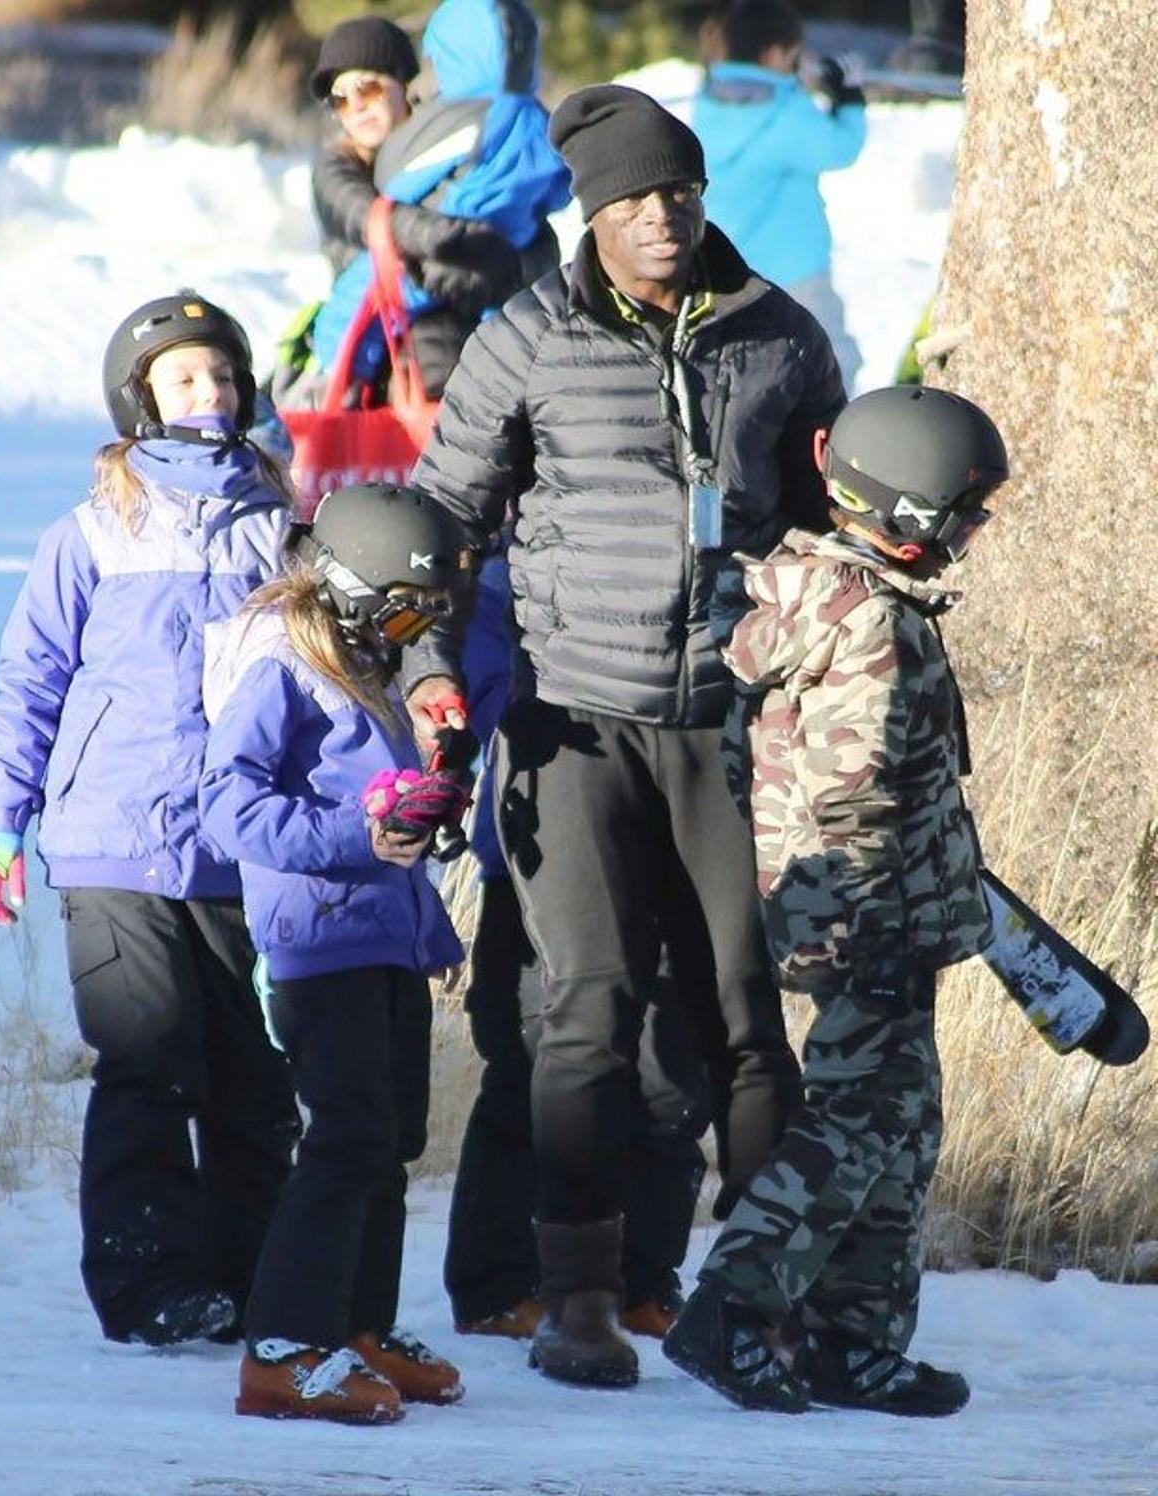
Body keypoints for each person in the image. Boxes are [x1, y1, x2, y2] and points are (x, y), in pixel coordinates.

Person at [403, 84, 847, 1389]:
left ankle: (755, 1300)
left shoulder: (781, 337)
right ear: (590, 210)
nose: (661, 217)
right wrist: (432, 678)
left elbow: (829, 529)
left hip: (730, 724)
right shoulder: (525, 339)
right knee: (582, 1013)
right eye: (632, 198)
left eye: (679, 191)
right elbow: (440, 530)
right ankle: (578, 1297)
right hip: (572, 722)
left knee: (749, 1018)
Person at [663, 384, 1010, 1416]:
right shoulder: (869, 628)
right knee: (859, 1120)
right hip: (864, 916)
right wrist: (872, 915)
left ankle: (851, 1341)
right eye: (968, 513)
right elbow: (854, 790)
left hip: (861, 909)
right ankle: (730, 1307)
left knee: (900, 1120)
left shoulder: (827, 602)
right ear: (913, 515)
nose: (976, 532)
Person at [0, 294, 301, 1346]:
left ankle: (251, 1276)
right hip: (114, 838)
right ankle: (149, 1283)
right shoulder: (93, 529)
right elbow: (30, 678)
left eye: (220, 376)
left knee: (252, 1074)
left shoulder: (281, 522)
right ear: (141, 396)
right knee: (149, 1063)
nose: (207, 394)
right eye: (182, 378)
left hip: (242, 850)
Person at [199, 483, 472, 1425]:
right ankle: (280, 1348)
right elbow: (228, 804)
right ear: (349, 587)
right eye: (403, 608)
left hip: (383, 941)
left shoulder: (367, 663)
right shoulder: (280, 664)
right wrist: (358, 832)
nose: (412, 629)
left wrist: (424, 920)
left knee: (388, 1142)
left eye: (425, 614)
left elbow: (388, 815)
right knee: (345, 1138)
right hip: (317, 943)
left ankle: (359, 1327)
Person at [443, 546, 711, 1341]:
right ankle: (497, 1284)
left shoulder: (688, 572)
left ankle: (640, 1277)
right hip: (540, 866)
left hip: (674, 859)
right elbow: (494, 707)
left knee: (670, 1075)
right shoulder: (498, 591)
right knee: (533, 1066)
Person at [304, 0, 569, 402]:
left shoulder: (458, 149)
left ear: (404, 85)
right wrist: (444, 254)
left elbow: (537, 235)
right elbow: (374, 221)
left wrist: (505, 266)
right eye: (339, 98)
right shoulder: (336, 167)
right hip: (378, 347)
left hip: (474, 320)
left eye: (367, 88)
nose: (354, 107)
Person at [693, 0, 865, 394]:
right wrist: (849, 97)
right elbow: (839, 147)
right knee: (830, 361)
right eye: (793, 56)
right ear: (774, 54)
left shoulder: (711, 101)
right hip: (795, 269)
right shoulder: (783, 113)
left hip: (730, 268)